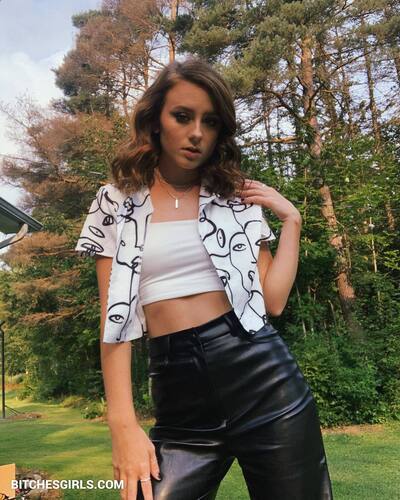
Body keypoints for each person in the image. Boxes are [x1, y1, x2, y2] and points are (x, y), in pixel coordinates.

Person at [75, 56, 333, 500]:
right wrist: (123, 423)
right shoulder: (115, 202)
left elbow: (271, 302)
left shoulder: (236, 199)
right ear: (155, 120)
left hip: (264, 382)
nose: (196, 133)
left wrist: (291, 221)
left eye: (210, 121)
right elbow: (113, 321)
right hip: (178, 401)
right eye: (182, 116)